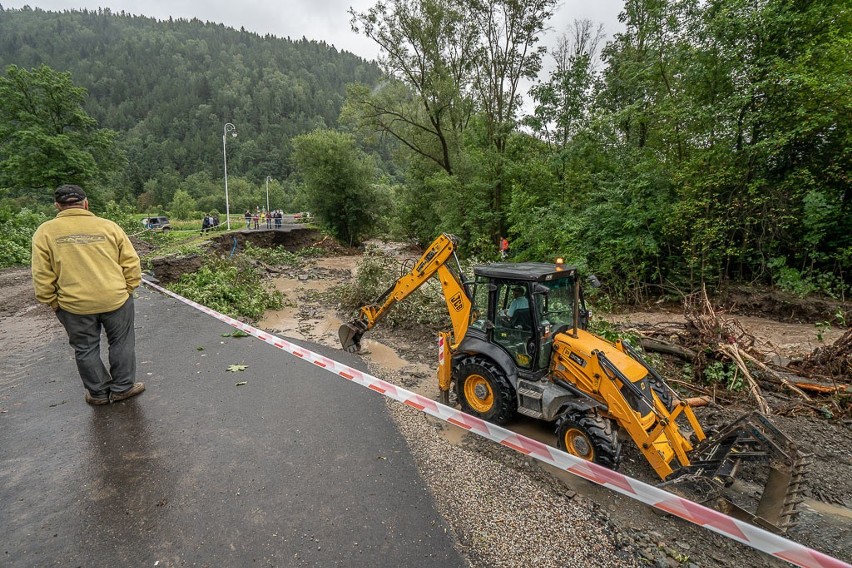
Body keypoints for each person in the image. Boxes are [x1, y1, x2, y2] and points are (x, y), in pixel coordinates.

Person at [31, 185, 145, 406]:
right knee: (121, 342)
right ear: (86, 203)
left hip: (74, 305)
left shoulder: (45, 232)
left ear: (57, 206)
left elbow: (42, 274)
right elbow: (131, 262)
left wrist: (52, 302)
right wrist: (129, 288)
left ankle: (99, 394)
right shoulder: (109, 227)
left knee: (85, 348)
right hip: (115, 299)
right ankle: (122, 388)